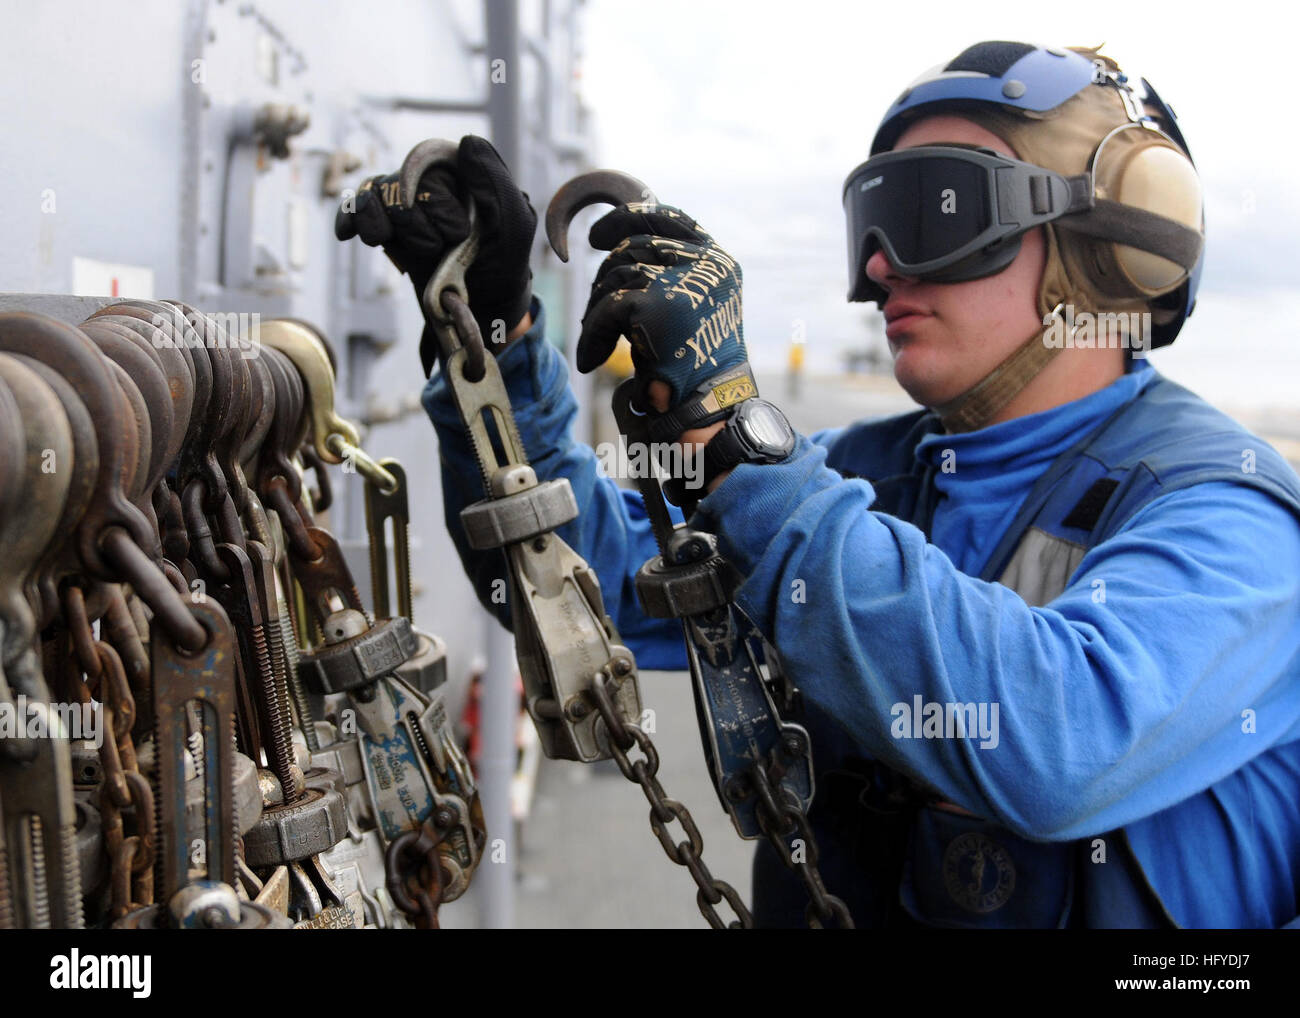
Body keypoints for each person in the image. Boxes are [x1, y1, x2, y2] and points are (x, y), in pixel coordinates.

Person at [336, 41, 1300, 928]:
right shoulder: (860, 477)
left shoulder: (1232, 515)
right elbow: (584, 579)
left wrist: (733, 437)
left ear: (1113, 246)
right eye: (871, 224)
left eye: (936, 214)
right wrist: (494, 334)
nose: (880, 269)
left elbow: (1064, 740)